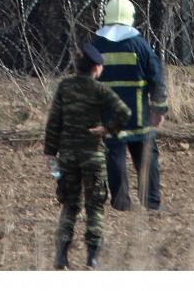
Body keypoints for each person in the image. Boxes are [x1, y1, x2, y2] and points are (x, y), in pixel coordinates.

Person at [44, 43, 133, 270]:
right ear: (96, 68)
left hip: (68, 157)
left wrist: (50, 154)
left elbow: (54, 122)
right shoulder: (100, 90)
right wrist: (107, 129)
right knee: (95, 206)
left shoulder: (64, 87)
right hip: (93, 156)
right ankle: (92, 257)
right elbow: (124, 112)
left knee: (69, 205)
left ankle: (61, 256)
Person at [90, 0, 169, 211]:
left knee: (114, 156)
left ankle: (120, 203)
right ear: (130, 17)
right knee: (146, 157)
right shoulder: (140, 45)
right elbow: (156, 78)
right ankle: (151, 203)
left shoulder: (96, 46)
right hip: (139, 115)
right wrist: (159, 109)